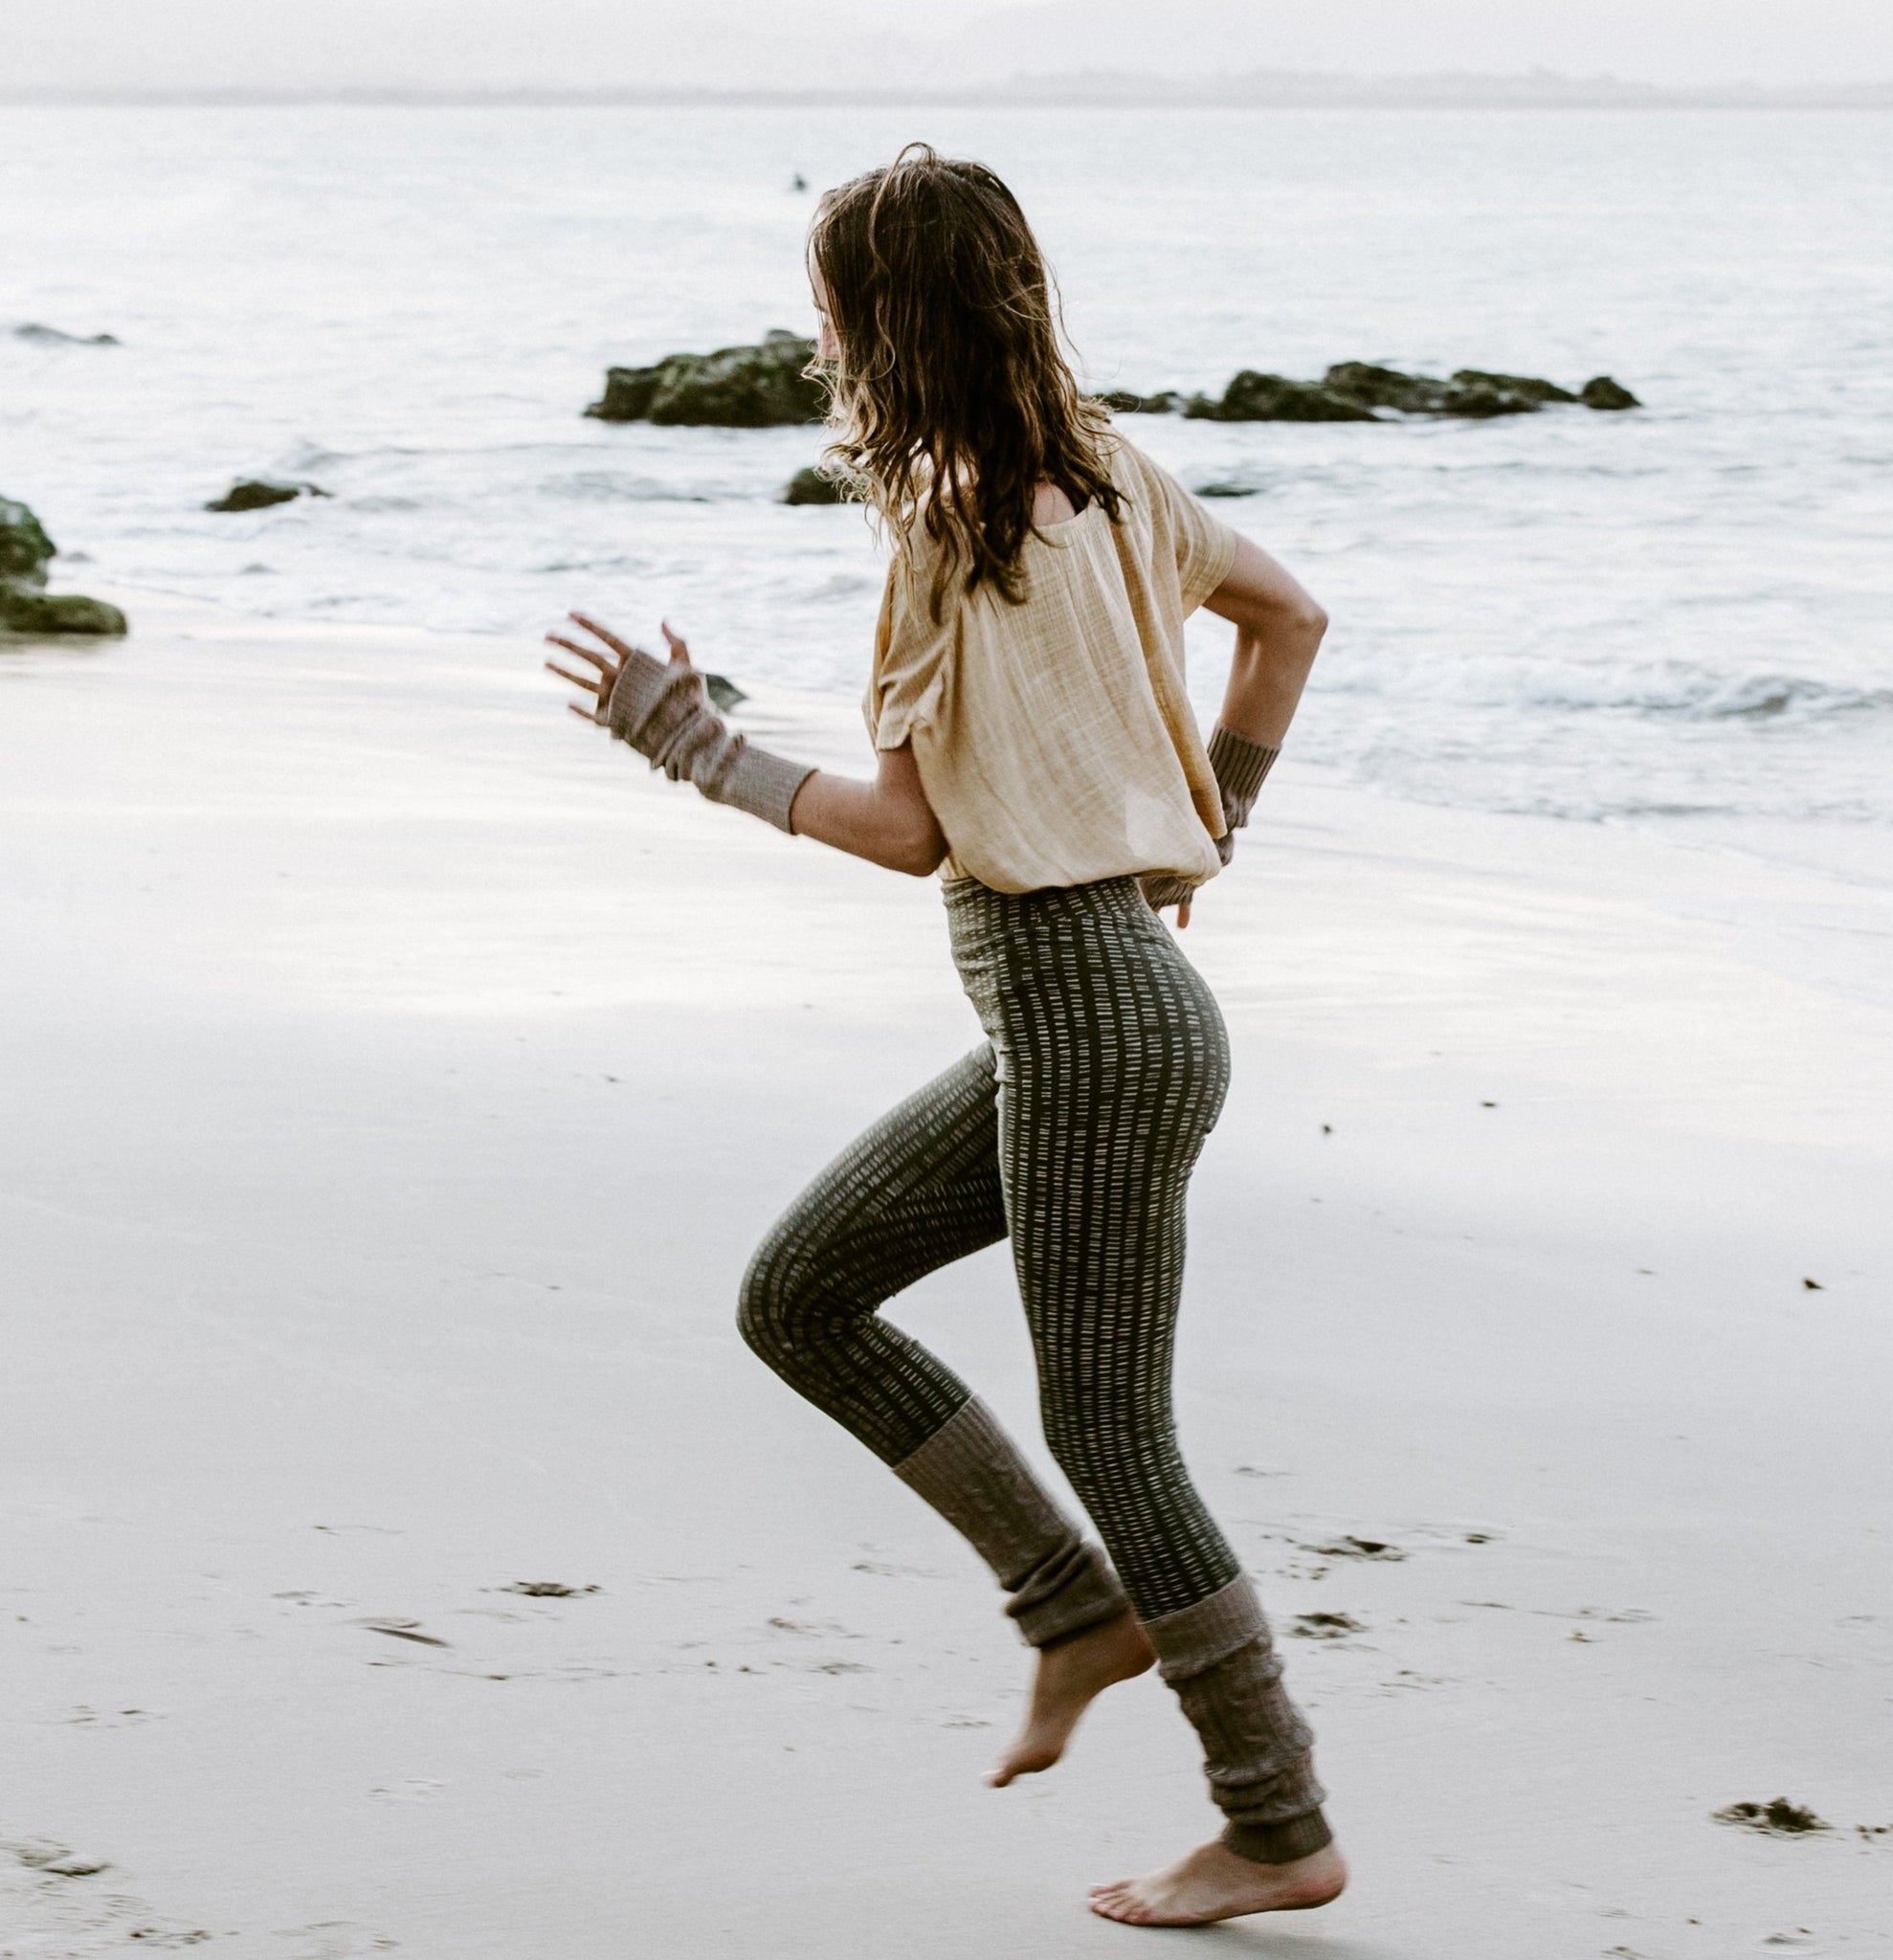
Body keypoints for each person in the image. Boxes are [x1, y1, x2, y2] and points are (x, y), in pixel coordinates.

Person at [546, 144, 1338, 1928]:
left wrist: (692, 743)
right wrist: (1207, 818)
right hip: (1114, 1012)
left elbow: (907, 830)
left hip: (1086, 1023)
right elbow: (1287, 622)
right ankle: (1070, 1610)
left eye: (827, 305)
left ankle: (1276, 1822)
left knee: (1114, 1431)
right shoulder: (1121, 475)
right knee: (800, 1295)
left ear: (868, 324)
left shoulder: (943, 525)